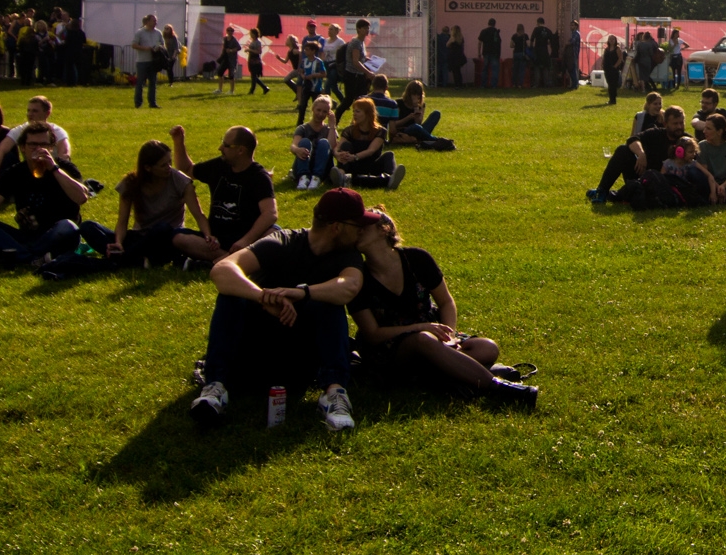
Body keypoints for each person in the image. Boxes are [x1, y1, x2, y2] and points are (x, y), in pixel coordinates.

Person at [189, 188, 377, 429]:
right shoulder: (284, 242)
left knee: (330, 303)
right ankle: (215, 387)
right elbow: (222, 270)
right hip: (255, 348)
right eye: (357, 224)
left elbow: (349, 286)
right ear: (337, 227)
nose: (361, 229)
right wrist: (264, 298)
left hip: (301, 357)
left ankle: (334, 392)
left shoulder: (347, 256)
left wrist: (303, 292)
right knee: (230, 297)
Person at [350, 207, 537, 408]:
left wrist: (451, 336)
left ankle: (440, 376)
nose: (357, 230)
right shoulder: (357, 276)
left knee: (487, 348)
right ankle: (499, 387)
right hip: (389, 349)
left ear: (384, 229)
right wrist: (420, 328)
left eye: (363, 226)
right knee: (424, 340)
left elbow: (446, 302)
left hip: (432, 333)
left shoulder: (416, 259)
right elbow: (372, 334)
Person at [0, 123, 88, 266]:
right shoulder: (15, 172)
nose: (38, 149)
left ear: (51, 147)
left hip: (59, 236)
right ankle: (32, 258)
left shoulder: (64, 168)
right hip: (28, 237)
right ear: (22, 148)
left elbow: (81, 197)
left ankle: (19, 256)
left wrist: (54, 169)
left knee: (68, 225)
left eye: (44, 144)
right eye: (32, 144)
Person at [171, 124, 277, 265]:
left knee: (274, 234)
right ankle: (230, 260)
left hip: (245, 240)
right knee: (179, 238)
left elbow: (270, 213)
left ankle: (218, 262)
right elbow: (187, 169)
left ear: (240, 150)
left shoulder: (259, 177)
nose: (220, 148)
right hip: (216, 241)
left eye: (226, 145)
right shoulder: (219, 165)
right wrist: (179, 142)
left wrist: (245, 241)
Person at [86, 139, 203, 264]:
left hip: (165, 238)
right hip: (140, 236)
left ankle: (122, 260)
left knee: (162, 228)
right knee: (88, 227)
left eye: (170, 162)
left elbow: (198, 214)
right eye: (163, 165)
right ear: (148, 168)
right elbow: (122, 221)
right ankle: (134, 258)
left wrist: (207, 236)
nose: (169, 167)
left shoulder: (179, 180)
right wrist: (118, 242)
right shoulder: (131, 183)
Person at [588, 104, 689, 204]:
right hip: (641, 176)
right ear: (665, 124)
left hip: (666, 185)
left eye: (681, 123)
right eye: (675, 124)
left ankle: (618, 194)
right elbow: (632, 139)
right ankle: (602, 190)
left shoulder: (687, 141)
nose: (679, 127)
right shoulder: (656, 134)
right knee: (623, 150)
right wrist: (641, 154)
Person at [0, 95, 72, 193]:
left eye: (34, 111)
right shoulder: (20, 130)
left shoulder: (57, 131)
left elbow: (64, 154)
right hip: (31, 169)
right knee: (8, 157)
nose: (30, 114)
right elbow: (0, 150)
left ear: (47, 113)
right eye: (28, 110)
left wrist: (57, 172)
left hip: (53, 168)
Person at [332, 98, 406, 191]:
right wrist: (337, 154)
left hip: (371, 165)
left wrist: (355, 157)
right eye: (354, 111)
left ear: (368, 114)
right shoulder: (349, 130)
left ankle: (391, 177)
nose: (354, 114)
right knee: (346, 146)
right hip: (354, 165)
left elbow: (371, 150)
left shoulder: (380, 131)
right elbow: (337, 147)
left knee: (389, 155)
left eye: (358, 111)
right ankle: (341, 174)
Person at [291, 96, 338, 191]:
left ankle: (316, 178)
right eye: (318, 110)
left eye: (324, 112)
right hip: (304, 163)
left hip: (323, 166)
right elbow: (293, 145)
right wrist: (297, 150)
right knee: (304, 141)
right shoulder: (303, 128)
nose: (320, 114)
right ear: (313, 109)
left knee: (324, 143)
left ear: (328, 113)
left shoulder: (329, 130)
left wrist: (332, 126)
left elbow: (332, 147)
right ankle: (303, 178)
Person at [390, 81, 445, 146]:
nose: (416, 96)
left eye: (418, 94)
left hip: (418, 129)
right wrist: (408, 118)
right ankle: (435, 140)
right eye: (414, 94)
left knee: (436, 113)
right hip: (405, 130)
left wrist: (416, 107)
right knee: (415, 127)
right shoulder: (399, 103)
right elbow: (394, 124)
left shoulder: (421, 105)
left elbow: (419, 123)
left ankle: (423, 138)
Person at [340, 19, 374, 112]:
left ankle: (357, 122)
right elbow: (355, 61)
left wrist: (368, 60)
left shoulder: (361, 42)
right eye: (364, 28)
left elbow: (360, 58)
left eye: (368, 28)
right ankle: (335, 119)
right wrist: (368, 72)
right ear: (358, 29)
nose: (367, 30)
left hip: (358, 75)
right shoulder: (356, 42)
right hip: (352, 75)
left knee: (362, 99)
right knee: (348, 100)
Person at [132, 13, 164, 109]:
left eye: (156, 20)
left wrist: (159, 48)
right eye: (153, 20)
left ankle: (152, 103)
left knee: (153, 82)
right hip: (142, 61)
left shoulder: (158, 33)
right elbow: (134, 45)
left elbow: (162, 44)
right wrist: (146, 48)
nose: (156, 22)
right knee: (140, 82)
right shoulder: (140, 32)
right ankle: (138, 103)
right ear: (147, 22)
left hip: (153, 61)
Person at [295, 40, 328, 125]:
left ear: (313, 51)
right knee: (303, 105)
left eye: (308, 49)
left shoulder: (318, 62)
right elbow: (301, 71)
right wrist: (303, 76)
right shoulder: (304, 61)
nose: (305, 51)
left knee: (317, 106)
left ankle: (318, 122)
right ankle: (299, 123)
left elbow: (323, 74)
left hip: (316, 87)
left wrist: (313, 75)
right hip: (306, 86)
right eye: (305, 49)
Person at [322, 23, 347, 102]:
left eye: (331, 29)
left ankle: (326, 103)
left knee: (328, 85)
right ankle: (344, 102)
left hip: (335, 65)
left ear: (337, 31)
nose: (329, 31)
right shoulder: (325, 40)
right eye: (329, 29)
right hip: (326, 64)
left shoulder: (340, 42)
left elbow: (343, 54)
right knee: (334, 87)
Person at [245, 28, 270, 96]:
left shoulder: (257, 42)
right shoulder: (252, 41)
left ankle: (252, 90)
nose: (250, 35)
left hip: (255, 61)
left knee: (254, 76)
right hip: (251, 59)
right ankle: (264, 88)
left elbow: (259, 51)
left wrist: (250, 50)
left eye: (251, 33)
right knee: (253, 76)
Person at [478, 18, 502, 89]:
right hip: (495, 53)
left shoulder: (483, 31)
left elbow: (479, 43)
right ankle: (493, 85)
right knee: (494, 69)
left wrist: (479, 52)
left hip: (486, 52)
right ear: (494, 24)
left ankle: (483, 84)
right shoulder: (496, 32)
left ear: (488, 23)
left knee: (485, 69)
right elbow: (499, 43)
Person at [601, 35, 625, 105]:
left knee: (613, 84)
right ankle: (611, 99)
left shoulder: (617, 49)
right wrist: (602, 64)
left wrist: (615, 66)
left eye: (613, 39)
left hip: (614, 69)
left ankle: (613, 100)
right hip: (607, 68)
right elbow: (604, 58)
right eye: (610, 39)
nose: (611, 40)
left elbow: (620, 58)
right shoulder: (607, 49)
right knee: (609, 84)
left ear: (615, 40)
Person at [664, 26, 687, 94]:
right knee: (673, 71)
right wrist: (674, 44)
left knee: (679, 71)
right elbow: (669, 49)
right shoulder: (670, 40)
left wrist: (682, 48)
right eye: (676, 34)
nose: (677, 35)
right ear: (673, 34)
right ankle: (673, 84)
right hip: (673, 56)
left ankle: (678, 85)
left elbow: (687, 45)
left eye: (678, 34)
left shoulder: (680, 40)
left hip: (678, 56)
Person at [510, 23, 531, 88]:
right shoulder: (525, 36)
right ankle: (520, 84)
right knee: (521, 70)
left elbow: (511, 45)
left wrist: (516, 45)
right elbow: (528, 45)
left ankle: (513, 84)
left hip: (516, 53)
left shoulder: (514, 36)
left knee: (515, 70)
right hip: (522, 54)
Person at [563, 22, 582, 88]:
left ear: (576, 26)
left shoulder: (576, 34)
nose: (571, 27)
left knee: (572, 69)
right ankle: (574, 84)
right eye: (570, 25)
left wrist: (567, 43)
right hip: (572, 54)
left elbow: (572, 42)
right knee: (571, 69)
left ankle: (575, 84)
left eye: (572, 25)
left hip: (573, 53)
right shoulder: (574, 33)